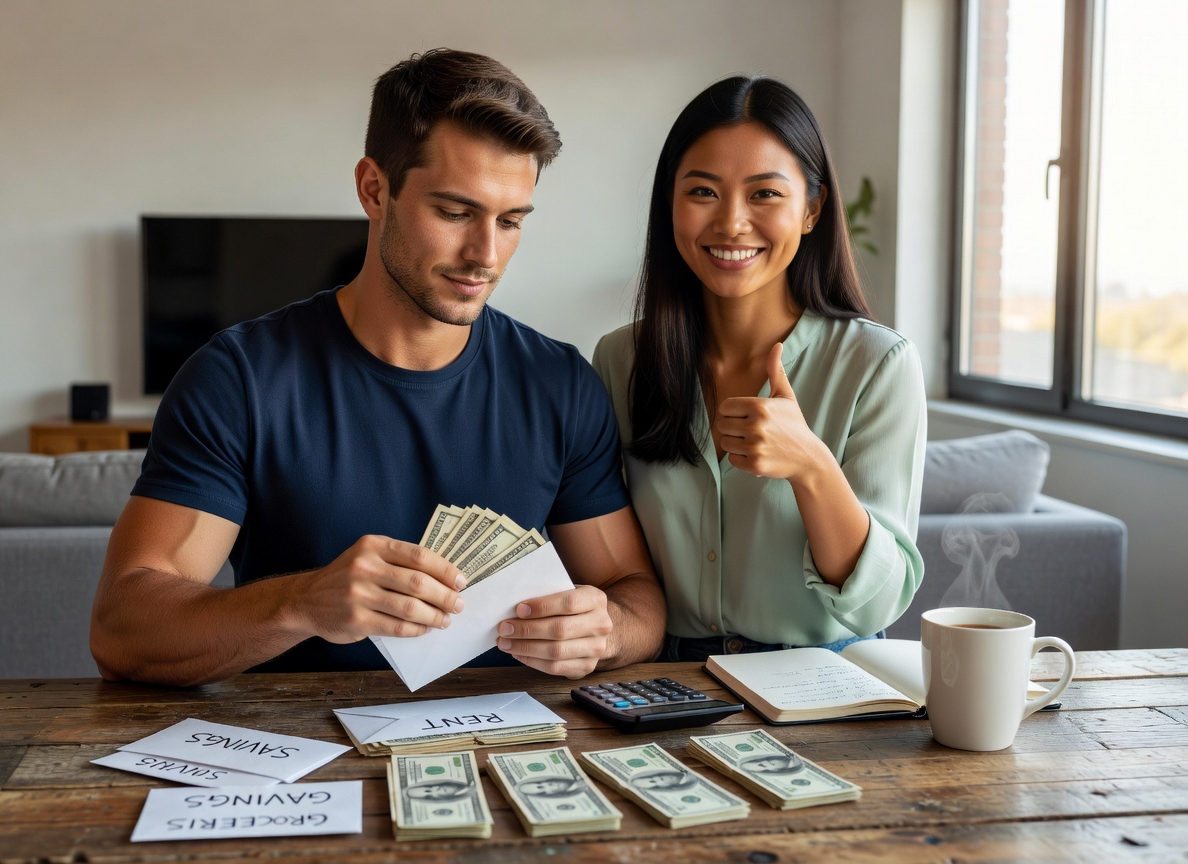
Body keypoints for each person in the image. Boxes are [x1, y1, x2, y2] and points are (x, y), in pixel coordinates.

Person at [90, 49, 665, 686]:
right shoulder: (238, 380)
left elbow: (635, 597)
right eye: (454, 212)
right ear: (373, 189)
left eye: (510, 221)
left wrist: (605, 632)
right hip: (304, 755)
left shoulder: (560, 384)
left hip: (509, 744)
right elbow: (123, 629)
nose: (486, 255)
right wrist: (302, 603)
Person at [592, 76, 924, 663]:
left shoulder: (879, 365)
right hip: (668, 682)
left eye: (765, 194)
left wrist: (812, 467)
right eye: (703, 192)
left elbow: (878, 604)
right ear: (670, 203)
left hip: (825, 684)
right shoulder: (621, 360)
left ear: (812, 209)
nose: (731, 224)